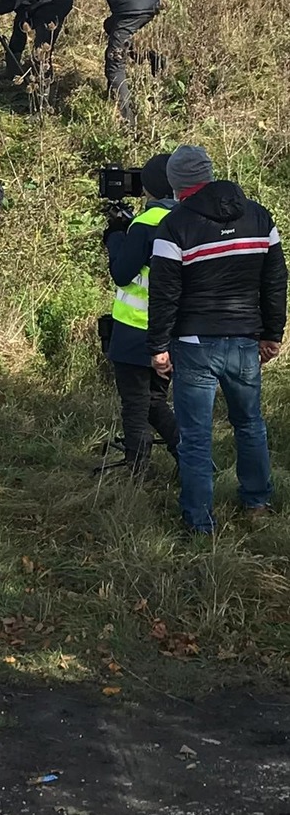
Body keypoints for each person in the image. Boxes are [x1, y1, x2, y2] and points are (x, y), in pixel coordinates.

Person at [147, 145, 287, 535]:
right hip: (245, 341)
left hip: (193, 346)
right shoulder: (258, 216)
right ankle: (257, 504)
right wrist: (272, 333)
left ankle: (199, 522)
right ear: (209, 174)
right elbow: (275, 279)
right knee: (250, 424)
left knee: (195, 437)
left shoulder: (174, 226)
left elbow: (164, 293)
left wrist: (158, 347)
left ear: (177, 185)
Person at [104, 153, 179, 477]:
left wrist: (116, 236)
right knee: (154, 402)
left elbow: (122, 272)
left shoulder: (146, 224)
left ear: (147, 188)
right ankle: (193, 460)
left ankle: (136, 472)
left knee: (136, 404)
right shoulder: (188, 220)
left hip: (136, 331)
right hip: (173, 331)